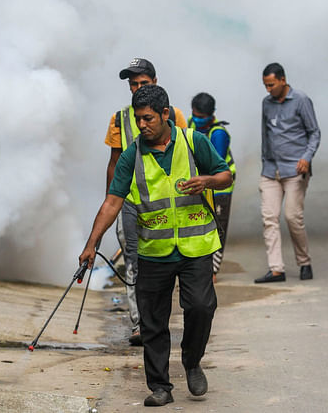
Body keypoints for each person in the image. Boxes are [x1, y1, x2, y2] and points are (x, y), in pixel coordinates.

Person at [82, 84, 232, 407]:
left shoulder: (194, 141)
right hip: (154, 251)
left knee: (201, 308)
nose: (142, 125)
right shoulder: (131, 155)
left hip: (195, 247)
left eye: (148, 118)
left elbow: (225, 176)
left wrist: (206, 181)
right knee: (152, 322)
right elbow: (112, 202)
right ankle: (160, 385)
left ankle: (192, 361)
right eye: (138, 119)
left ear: (166, 114)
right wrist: (92, 243)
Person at [104, 58, 187, 346]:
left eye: (143, 83)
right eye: (133, 84)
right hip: (130, 201)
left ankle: (157, 319)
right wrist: (110, 205)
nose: (137, 88)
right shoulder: (119, 118)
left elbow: (186, 154)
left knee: (165, 264)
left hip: (166, 205)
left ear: (155, 81)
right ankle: (140, 324)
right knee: (133, 263)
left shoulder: (173, 115)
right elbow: (114, 162)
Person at [255, 62, 321, 284]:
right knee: (269, 218)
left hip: (295, 169)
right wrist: (264, 161)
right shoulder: (266, 103)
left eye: (271, 84)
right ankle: (276, 269)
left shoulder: (301, 100)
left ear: (283, 80)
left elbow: (314, 133)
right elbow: (265, 134)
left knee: (292, 217)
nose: (268, 89)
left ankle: (304, 262)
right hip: (270, 170)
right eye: (265, 85)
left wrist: (306, 158)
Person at [188, 92, 236, 282]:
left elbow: (213, 163)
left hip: (220, 188)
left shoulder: (219, 134)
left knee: (218, 227)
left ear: (212, 114)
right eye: (195, 115)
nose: (198, 120)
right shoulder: (191, 123)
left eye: (202, 117)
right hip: (201, 185)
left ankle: (213, 271)